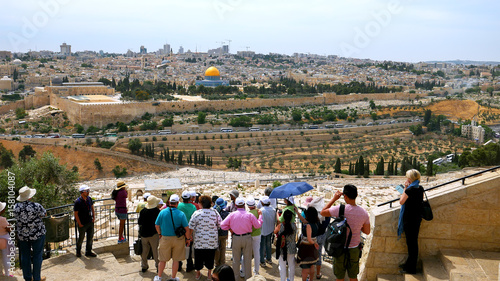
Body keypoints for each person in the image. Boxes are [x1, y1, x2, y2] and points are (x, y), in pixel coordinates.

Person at [320, 184, 370, 281]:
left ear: (345, 196)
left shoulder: (340, 209)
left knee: (339, 277)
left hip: (340, 248)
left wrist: (334, 198)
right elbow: (367, 231)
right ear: (356, 195)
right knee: (353, 277)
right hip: (354, 248)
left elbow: (323, 212)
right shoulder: (364, 212)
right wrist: (358, 226)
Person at [220, 197, 263, 281]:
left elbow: (222, 225)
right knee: (247, 260)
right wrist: (260, 216)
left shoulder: (232, 214)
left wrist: (230, 228)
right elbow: (257, 225)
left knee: (236, 260)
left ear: (236, 205)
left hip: (236, 238)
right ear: (244, 205)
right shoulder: (249, 215)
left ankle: (235, 278)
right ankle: (248, 278)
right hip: (247, 238)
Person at [154, 194, 192, 281]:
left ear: (169, 202)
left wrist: (160, 234)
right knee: (176, 260)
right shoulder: (181, 214)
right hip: (178, 239)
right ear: (177, 203)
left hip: (165, 238)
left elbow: (156, 225)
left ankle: (159, 277)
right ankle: (173, 278)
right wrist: (188, 239)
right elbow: (186, 228)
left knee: (162, 259)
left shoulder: (162, 212)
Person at [13, 186, 47, 281]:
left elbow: (16, 217)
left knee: (25, 256)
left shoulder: (15, 207)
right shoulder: (36, 206)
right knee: (37, 256)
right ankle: (37, 278)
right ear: (29, 196)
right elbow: (44, 214)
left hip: (23, 235)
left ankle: (28, 278)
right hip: (37, 234)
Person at [189, 195, 222, 280]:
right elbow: (219, 224)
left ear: (201, 203)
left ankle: (198, 273)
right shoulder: (215, 212)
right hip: (211, 240)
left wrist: (189, 237)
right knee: (210, 257)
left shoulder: (197, 213)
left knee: (198, 257)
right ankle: (209, 274)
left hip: (199, 241)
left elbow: (191, 226)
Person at [398, 169, 424, 274]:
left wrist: (404, 188)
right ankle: (409, 264)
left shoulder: (410, 190)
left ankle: (411, 268)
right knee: (413, 243)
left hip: (409, 219)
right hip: (417, 218)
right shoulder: (420, 188)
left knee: (411, 244)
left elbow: (401, 201)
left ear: (410, 179)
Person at [303, 196, 330, 279]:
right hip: (322, 236)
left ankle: (308, 274)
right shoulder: (326, 215)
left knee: (310, 257)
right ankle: (318, 274)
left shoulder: (314, 216)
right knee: (318, 256)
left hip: (313, 238)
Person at [296, 207, 320, 281]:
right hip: (312, 249)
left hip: (307, 247)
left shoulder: (308, 225)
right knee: (312, 265)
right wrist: (297, 212)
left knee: (305, 267)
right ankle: (311, 279)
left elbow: (309, 239)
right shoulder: (315, 223)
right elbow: (303, 220)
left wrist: (314, 243)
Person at [138, 195, 161, 273]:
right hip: (153, 234)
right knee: (155, 251)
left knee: (145, 250)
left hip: (144, 234)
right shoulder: (157, 211)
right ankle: (158, 266)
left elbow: (139, 222)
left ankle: (144, 266)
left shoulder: (142, 211)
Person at [74, 184, 97, 258]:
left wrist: (93, 217)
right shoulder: (77, 202)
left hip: (90, 221)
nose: (88, 192)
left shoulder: (89, 199)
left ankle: (88, 251)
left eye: (88, 190)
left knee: (90, 237)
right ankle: (78, 251)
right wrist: (79, 223)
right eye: (87, 191)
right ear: (82, 192)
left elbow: (92, 208)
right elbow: (76, 213)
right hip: (82, 223)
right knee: (81, 238)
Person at [177, 191, 197, 272]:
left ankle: (179, 265)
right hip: (189, 230)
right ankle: (189, 265)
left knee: (179, 248)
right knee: (189, 247)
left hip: (180, 230)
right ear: (189, 198)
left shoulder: (178, 206)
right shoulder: (193, 207)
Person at [274, 210, 296, 281]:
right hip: (291, 248)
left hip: (282, 248)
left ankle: (282, 279)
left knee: (282, 266)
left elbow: (274, 231)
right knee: (291, 265)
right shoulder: (294, 225)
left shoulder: (281, 226)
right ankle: (291, 279)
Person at [246, 197, 262, 275]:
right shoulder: (259, 212)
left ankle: (244, 270)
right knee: (256, 253)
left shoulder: (248, 214)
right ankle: (256, 270)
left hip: (249, 235)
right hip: (257, 234)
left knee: (246, 253)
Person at [259, 196, 276, 267]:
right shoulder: (273, 209)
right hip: (270, 230)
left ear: (262, 203)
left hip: (263, 230)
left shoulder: (261, 210)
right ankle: (269, 259)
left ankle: (262, 261)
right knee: (268, 244)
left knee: (262, 246)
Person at [214, 198, 229, 267]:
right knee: (223, 248)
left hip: (216, 233)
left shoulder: (214, 213)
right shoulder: (226, 214)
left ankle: (216, 263)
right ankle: (222, 262)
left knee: (217, 248)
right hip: (224, 233)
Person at [0, 202, 13, 277]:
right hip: (4, 239)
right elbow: (9, 229)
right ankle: (7, 274)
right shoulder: (2, 219)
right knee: (6, 257)